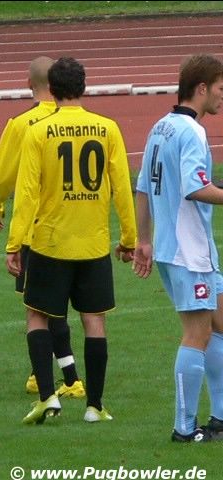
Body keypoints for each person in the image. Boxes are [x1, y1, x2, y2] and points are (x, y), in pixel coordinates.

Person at [6, 57, 136, 424]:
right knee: (94, 320)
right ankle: (94, 405)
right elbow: (122, 188)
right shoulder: (107, 129)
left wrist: (14, 243)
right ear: (83, 87)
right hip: (93, 244)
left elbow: (26, 193)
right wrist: (129, 237)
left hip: (49, 243)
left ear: (51, 88)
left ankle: (48, 396)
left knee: (37, 314)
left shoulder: (38, 132)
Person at [133, 54, 223, 443]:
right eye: (220, 88)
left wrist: (144, 240)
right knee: (198, 334)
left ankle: (220, 418)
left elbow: (142, 187)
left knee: (219, 325)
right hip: (189, 251)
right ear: (202, 88)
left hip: (176, 249)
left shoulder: (161, 126)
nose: (222, 96)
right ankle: (184, 428)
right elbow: (195, 187)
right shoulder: (192, 132)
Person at [0, 56, 85, 399]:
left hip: (35, 230)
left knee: (40, 307)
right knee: (56, 305)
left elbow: (0, 177)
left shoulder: (22, 124)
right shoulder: (78, 121)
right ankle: (52, 374)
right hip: (76, 226)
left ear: (29, 83)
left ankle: (66, 379)